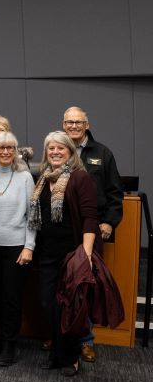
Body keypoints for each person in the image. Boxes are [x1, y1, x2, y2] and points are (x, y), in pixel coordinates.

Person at [31, 131, 100, 377]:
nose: (56, 152)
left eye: (61, 148)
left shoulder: (80, 178)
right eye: (51, 149)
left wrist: (86, 254)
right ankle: (56, 353)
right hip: (47, 252)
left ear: (70, 151)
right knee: (48, 304)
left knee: (70, 306)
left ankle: (70, 358)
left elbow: (91, 218)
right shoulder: (42, 178)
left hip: (73, 254)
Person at [62, 106, 124, 363]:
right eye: (69, 122)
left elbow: (114, 192)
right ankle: (60, 334)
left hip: (91, 229)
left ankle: (86, 340)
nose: (74, 126)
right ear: (63, 125)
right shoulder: (57, 149)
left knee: (85, 284)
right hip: (63, 229)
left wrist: (109, 222)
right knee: (61, 283)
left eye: (78, 122)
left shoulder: (102, 153)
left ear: (87, 124)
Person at [0, 131, 35, 367]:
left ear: (15, 151)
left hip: (16, 247)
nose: (4, 152)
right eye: (0, 148)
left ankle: (10, 344)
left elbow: (33, 215)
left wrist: (29, 246)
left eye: (9, 148)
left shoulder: (25, 177)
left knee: (11, 298)